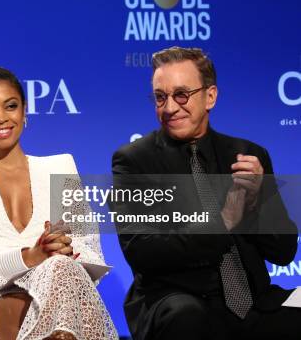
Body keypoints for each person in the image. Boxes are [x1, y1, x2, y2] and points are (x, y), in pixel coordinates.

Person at [111, 46, 300, 340]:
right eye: (161, 97)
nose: (170, 107)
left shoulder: (248, 155)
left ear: (210, 96)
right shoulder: (135, 161)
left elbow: (284, 253)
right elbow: (141, 251)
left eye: (181, 94)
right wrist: (222, 222)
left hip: (253, 303)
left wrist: (258, 201)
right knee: (187, 316)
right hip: (176, 300)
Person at [0, 67, 117, 340]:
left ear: (24, 111)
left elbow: (89, 251)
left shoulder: (60, 166)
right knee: (62, 282)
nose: (1, 118)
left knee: (62, 270)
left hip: (61, 288)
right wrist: (33, 255)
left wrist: (64, 250)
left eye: (11, 106)